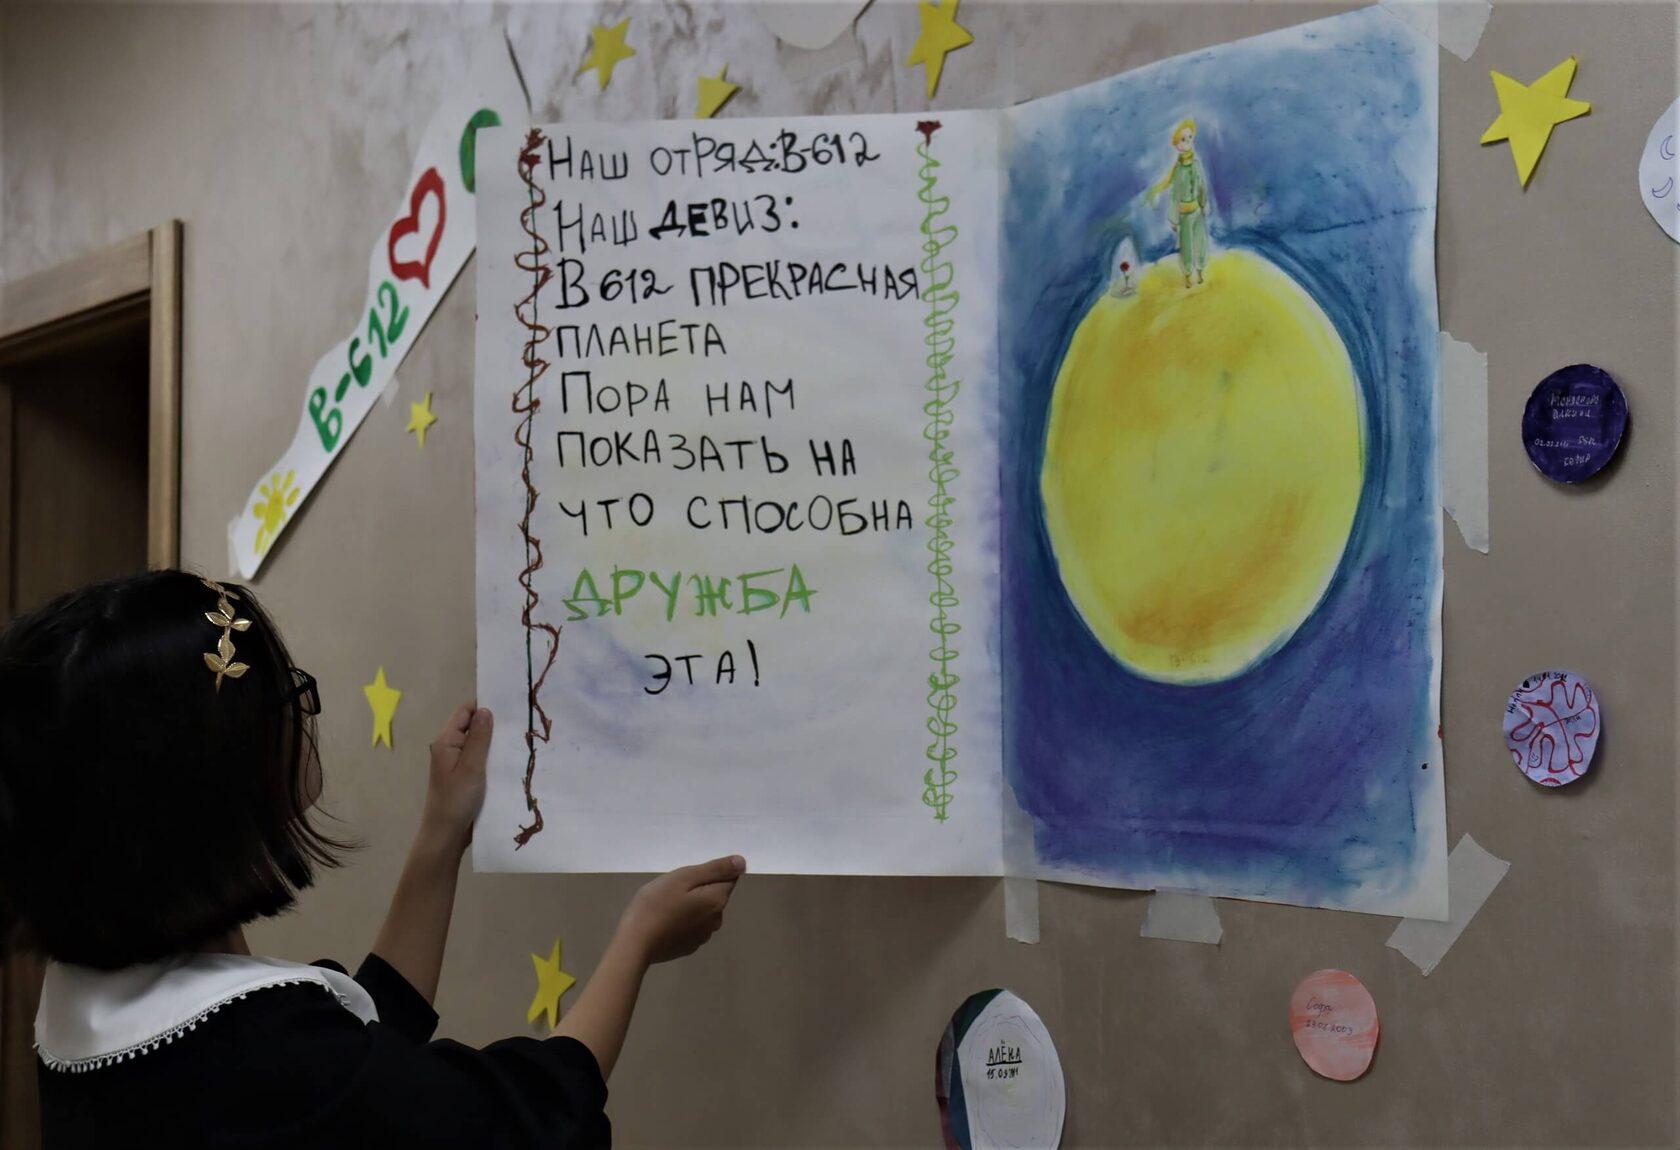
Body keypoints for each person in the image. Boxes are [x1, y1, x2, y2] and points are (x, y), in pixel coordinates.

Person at [0, 569, 744, 1148]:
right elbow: (522, 1124)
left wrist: (441, 836)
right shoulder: (264, 1058)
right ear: (213, 778)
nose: (301, 714)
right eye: (285, 698)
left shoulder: (98, 996)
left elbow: (368, 1043)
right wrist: (638, 940)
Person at [1147, 118, 1212, 287]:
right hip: (1183, 214)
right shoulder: (1178, 169)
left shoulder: (1196, 165)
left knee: (1200, 242)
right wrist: (1173, 219)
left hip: (1197, 211)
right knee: (1186, 246)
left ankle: (1200, 271)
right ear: (1176, 144)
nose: (1187, 142)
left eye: (1190, 138)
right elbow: (1174, 196)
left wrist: (1204, 204)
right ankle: (1188, 275)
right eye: (1183, 139)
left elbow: (1202, 186)